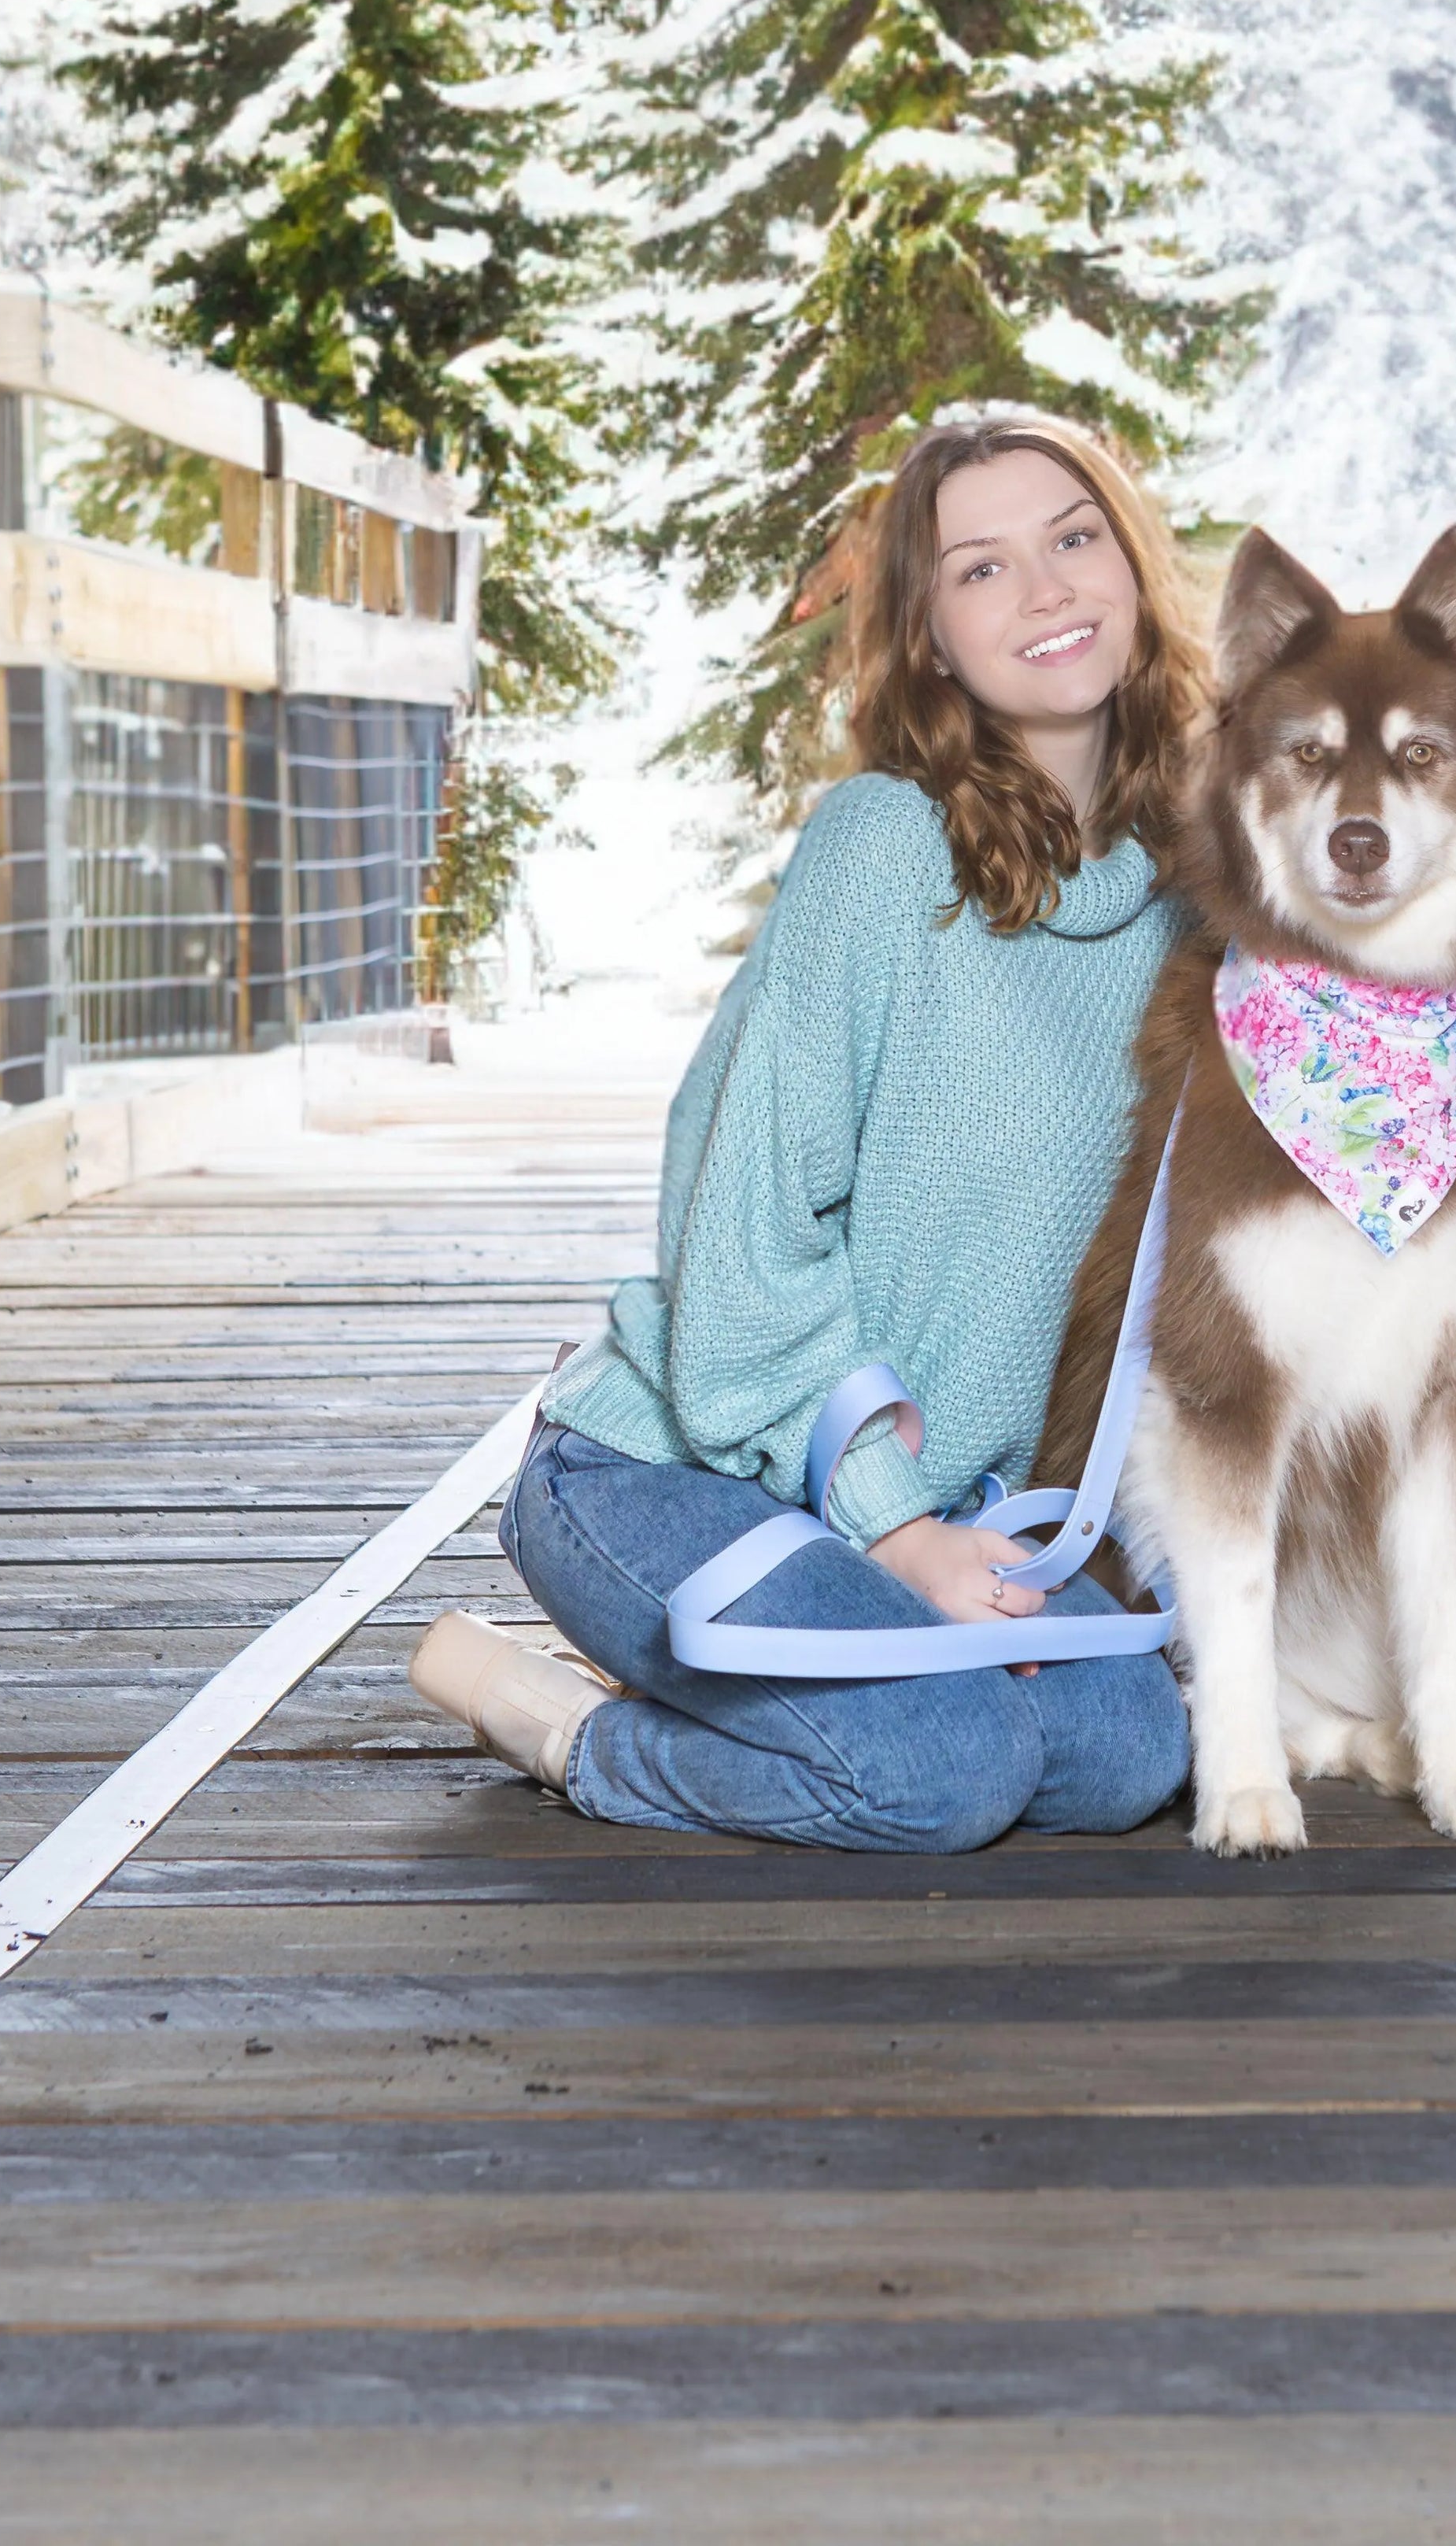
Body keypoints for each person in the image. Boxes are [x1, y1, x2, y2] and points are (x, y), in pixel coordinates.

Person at [407, 406, 1214, 1849]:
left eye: (1074, 539)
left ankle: (774, 1691)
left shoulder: (1195, 894)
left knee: (1125, 1758)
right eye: (982, 569)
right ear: (929, 637)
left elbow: (1325, 1126)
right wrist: (899, 1534)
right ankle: (573, 1726)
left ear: (1135, 570)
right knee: (941, 1775)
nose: (1045, 590)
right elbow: (745, 1232)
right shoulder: (884, 850)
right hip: (678, 1467)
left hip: (958, 1498)